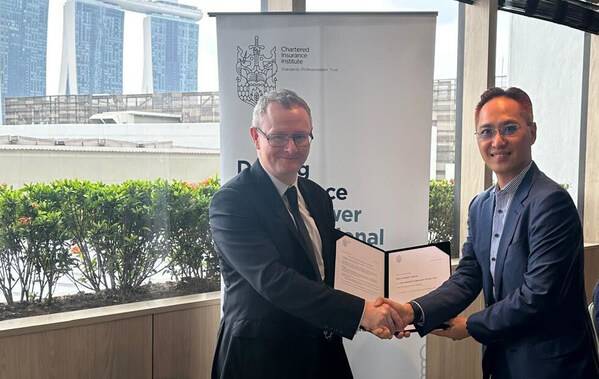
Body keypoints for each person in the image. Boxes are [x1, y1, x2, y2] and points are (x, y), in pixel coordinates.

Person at [388, 87, 599, 378]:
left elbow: (538, 295)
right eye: (486, 131)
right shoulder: (480, 205)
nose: (497, 141)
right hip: (501, 363)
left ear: (532, 132)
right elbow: (468, 276)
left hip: (551, 366)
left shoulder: (551, 202)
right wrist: (414, 312)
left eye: (509, 128)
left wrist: (471, 325)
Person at [209, 89, 403, 379]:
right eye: (278, 137)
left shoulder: (317, 196)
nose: (291, 147)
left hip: (321, 352)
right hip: (261, 359)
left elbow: (335, 264)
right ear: (255, 136)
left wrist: (395, 301)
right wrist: (363, 312)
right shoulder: (232, 202)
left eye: (300, 137)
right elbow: (274, 280)